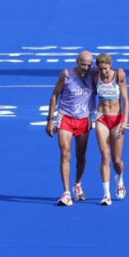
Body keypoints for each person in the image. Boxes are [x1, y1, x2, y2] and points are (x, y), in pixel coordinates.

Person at [46, 50, 96, 206]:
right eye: (83, 64)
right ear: (77, 62)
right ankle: (66, 193)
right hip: (65, 118)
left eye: (88, 65)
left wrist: (120, 71)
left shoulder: (94, 74)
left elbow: (110, 70)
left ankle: (78, 184)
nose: (85, 68)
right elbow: (54, 95)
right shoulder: (66, 74)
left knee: (80, 155)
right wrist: (49, 120)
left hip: (84, 120)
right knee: (64, 153)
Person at [93, 52, 129, 205]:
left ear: (111, 66)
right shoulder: (95, 77)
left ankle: (119, 179)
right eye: (100, 69)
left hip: (117, 120)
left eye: (106, 69)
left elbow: (126, 101)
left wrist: (125, 121)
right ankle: (106, 194)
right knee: (104, 157)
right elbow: (82, 69)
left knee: (116, 161)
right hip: (101, 118)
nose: (104, 72)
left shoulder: (119, 77)